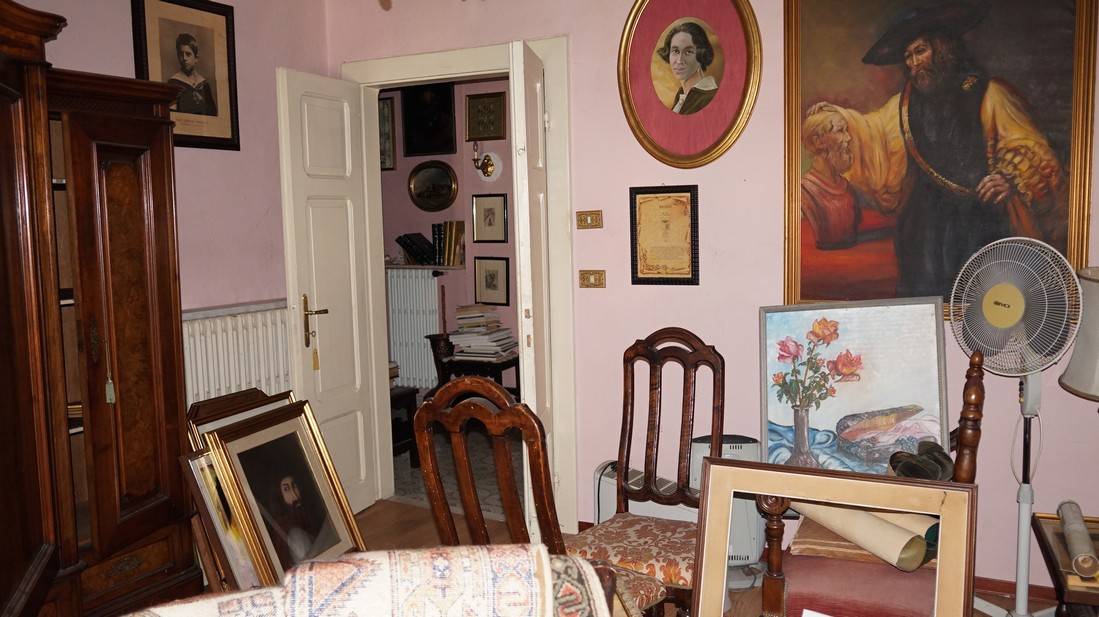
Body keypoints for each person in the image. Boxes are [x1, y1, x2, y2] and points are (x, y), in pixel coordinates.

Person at [809, 3, 1066, 297]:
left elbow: (1029, 148)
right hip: (923, 228)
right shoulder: (905, 104)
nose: (913, 63)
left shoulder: (987, 93)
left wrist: (1008, 177)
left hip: (980, 222)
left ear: (942, 48)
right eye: (908, 56)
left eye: (920, 51)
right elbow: (873, 132)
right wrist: (839, 117)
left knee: (980, 304)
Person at [800, 108, 865, 250]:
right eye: (840, 131)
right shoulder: (804, 191)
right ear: (818, 141)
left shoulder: (848, 188)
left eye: (846, 130)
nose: (848, 138)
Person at [266, 473, 335, 568]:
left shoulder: (311, 512)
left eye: (294, 486)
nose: (295, 495)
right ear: (279, 495)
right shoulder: (285, 528)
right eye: (286, 489)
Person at [656, 21, 718, 115]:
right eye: (676, 51)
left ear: (701, 54)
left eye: (688, 52)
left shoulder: (709, 97)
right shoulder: (681, 95)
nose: (679, 60)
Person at [168, 33, 217, 116]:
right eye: (181, 54)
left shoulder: (204, 85)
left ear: (196, 58)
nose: (184, 58)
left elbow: (212, 114)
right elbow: (172, 115)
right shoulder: (173, 83)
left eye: (188, 54)